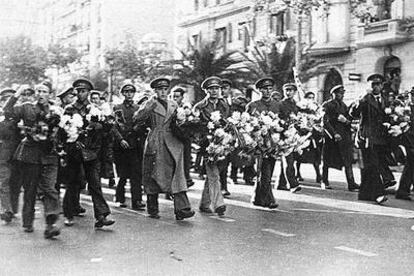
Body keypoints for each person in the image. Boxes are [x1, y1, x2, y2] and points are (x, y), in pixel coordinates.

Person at [4, 84, 61, 238]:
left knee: (50, 188)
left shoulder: (57, 110)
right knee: (31, 189)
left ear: (50, 94)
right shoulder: (27, 108)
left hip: (50, 155)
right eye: (39, 91)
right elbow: (8, 111)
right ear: (35, 93)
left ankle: (51, 223)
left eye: (44, 92)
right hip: (31, 155)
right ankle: (28, 221)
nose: (41, 94)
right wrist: (17, 94)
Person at [134, 77, 195, 220]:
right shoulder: (150, 103)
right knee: (153, 173)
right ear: (154, 91)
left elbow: (179, 122)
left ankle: (182, 209)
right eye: (159, 89)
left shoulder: (173, 104)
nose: (162, 92)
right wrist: (147, 107)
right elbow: (137, 119)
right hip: (156, 140)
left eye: (164, 89)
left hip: (172, 142)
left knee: (177, 173)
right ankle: (153, 208)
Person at [62, 79, 115, 227]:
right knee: (72, 183)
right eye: (78, 91)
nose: (80, 94)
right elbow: (64, 129)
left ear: (88, 92)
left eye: (83, 91)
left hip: (91, 152)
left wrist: (100, 126)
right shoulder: (69, 109)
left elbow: (104, 131)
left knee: (95, 184)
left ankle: (101, 215)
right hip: (74, 151)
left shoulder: (95, 110)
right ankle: (68, 214)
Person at [349, 74, 388, 204]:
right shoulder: (364, 99)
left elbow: (387, 116)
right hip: (366, 136)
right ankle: (379, 193)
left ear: (382, 86)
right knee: (373, 165)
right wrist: (362, 99)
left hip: (380, 138)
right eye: (373, 84)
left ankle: (365, 194)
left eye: (378, 84)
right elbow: (353, 113)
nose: (375, 87)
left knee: (367, 166)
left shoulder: (385, 99)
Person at [194, 76, 230, 216]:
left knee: (214, 173)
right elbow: (194, 126)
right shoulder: (200, 107)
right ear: (206, 91)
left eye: (217, 88)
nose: (214, 91)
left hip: (223, 143)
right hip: (207, 144)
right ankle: (218, 203)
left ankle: (204, 203)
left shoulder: (224, 104)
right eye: (211, 89)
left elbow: (230, 121)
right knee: (213, 173)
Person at [246, 78, 280, 209]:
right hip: (259, 143)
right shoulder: (253, 105)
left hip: (274, 142)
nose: (267, 91)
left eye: (270, 88)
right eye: (264, 88)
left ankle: (257, 197)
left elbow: (282, 121)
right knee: (264, 169)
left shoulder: (277, 105)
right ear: (259, 90)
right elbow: (247, 124)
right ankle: (269, 199)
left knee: (269, 170)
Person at [112, 84, 146, 210]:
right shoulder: (117, 108)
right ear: (122, 94)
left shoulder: (138, 108)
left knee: (136, 174)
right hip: (121, 146)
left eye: (131, 92)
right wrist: (120, 139)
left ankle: (137, 200)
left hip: (135, 144)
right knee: (123, 174)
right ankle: (119, 197)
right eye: (126, 92)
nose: (129, 94)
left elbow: (142, 124)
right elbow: (114, 126)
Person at [322, 85, 359, 191]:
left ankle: (351, 183)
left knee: (348, 160)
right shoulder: (327, 105)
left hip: (344, 137)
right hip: (331, 137)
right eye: (338, 93)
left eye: (342, 93)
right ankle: (324, 181)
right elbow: (325, 122)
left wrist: (347, 122)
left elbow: (348, 120)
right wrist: (334, 134)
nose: (341, 95)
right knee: (326, 160)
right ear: (332, 94)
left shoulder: (344, 105)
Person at [0, 88, 20, 223]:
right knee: (4, 181)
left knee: (16, 182)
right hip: (3, 155)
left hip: (18, 154)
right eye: (4, 100)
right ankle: (7, 209)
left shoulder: (18, 116)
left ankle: (13, 208)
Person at [277, 83, 302, 193]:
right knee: (289, 161)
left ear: (295, 92)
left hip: (293, 135)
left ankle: (280, 183)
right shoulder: (280, 104)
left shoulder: (296, 105)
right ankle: (292, 184)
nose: (288, 92)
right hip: (284, 135)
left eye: (291, 90)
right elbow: (277, 119)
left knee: (288, 160)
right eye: (286, 90)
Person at [295, 92, 323, 184]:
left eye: (313, 97)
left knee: (316, 154)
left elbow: (318, 119)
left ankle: (318, 175)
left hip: (313, 135)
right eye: (309, 97)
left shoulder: (315, 108)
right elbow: (297, 121)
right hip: (302, 134)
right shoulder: (301, 109)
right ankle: (297, 173)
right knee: (299, 155)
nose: (311, 99)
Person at [171, 87, 194, 188]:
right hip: (172, 138)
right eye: (173, 96)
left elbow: (192, 123)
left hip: (184, 138)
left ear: (182, 97)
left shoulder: (186, 108)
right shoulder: (169, 107)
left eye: (177, 96)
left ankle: (185, 181)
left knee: (185, 160)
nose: (175, 98)